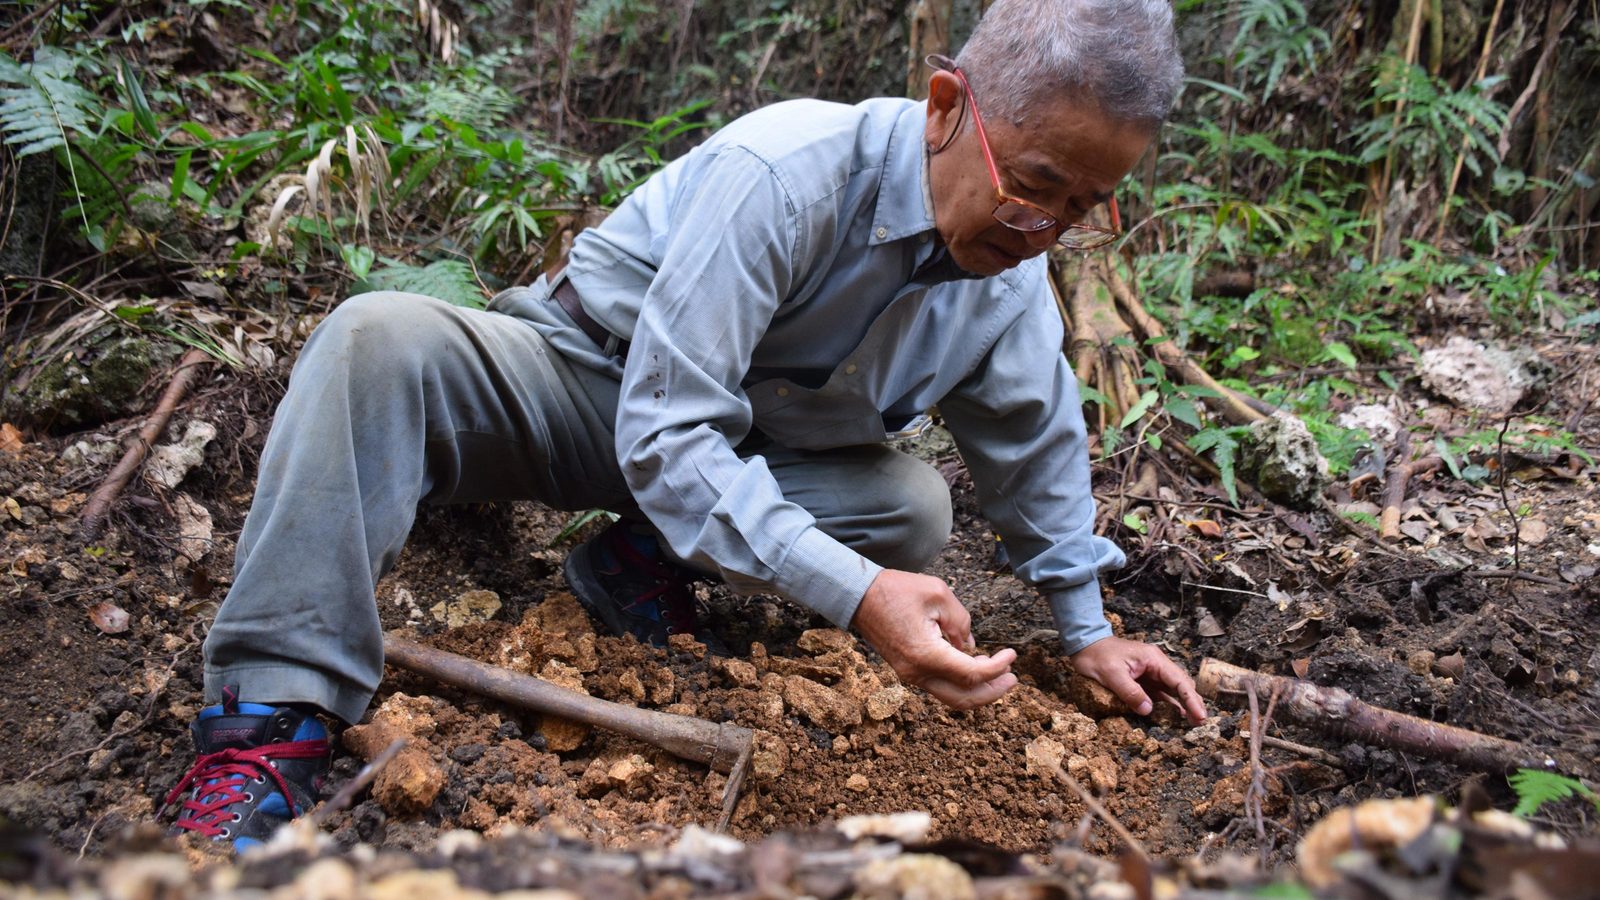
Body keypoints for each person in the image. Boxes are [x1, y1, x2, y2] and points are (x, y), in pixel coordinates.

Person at [165, 0, 1208, 852]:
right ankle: (268, 722)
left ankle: (634, 567)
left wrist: (1089, 630)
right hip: (587, 389)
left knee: (906, 507)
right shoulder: (789, 173)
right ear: (945, 108)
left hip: (741, 449)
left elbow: (1036, 448)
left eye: (1083, 208)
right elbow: (665, 433)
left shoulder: (1008, 282)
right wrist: (853, 594)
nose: (1044, 231)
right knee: (375, 343)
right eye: (1033, 188)